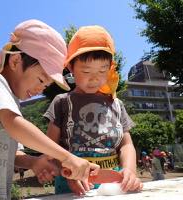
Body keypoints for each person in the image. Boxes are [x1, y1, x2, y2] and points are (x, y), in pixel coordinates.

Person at [0, 19, 99, 200]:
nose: (40, 89)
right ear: (15, 61)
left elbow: (12, 153)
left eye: (46, 85)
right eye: (40, 80)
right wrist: (68, 158)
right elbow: (15, 125)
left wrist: (34, 162)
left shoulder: (11, 101)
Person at [44, 25, 143, 196]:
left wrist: (130, 172)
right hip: (73, 186)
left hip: (114, 183)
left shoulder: (116, 104)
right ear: (70, 68)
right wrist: (69, 173)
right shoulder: (62, 102)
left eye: (103, 70)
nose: (95, 78)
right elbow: (49, 148)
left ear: (110, 68)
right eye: (86, 70)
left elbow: (126, 145)